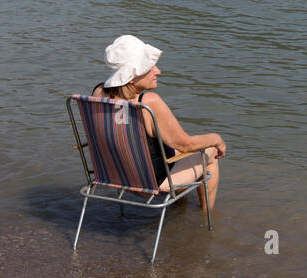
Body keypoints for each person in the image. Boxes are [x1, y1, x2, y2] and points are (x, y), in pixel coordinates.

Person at [91, 34, 225, 212]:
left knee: (168, 148)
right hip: (153, 185)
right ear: (132, 76)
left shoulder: (99, 93)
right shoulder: (148, 102)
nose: (158, 71)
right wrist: (217, 139)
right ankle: (206, 219)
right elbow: (186, 144)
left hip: (115, 176)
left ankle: (178, 208)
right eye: (150, 67)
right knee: (210, 152)